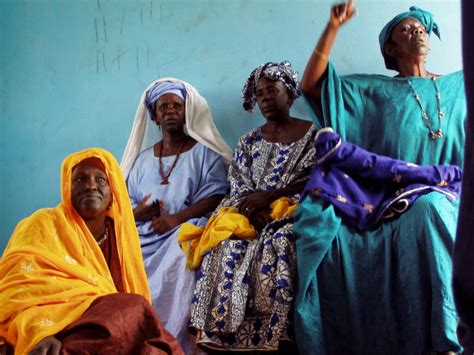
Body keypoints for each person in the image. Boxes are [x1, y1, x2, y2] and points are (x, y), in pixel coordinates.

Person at [294, 2, 466, 354]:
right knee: (426, 208)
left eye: (419, 27)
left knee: (434, 205)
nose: (416, 31)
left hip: (457, 190)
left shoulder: (459, 85)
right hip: (398, 197)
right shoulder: (374, 91)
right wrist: (333, 27)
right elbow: (311, 85)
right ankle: (447, 340)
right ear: (390, 48)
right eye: (405, 29)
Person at [0, 148, 183, 355]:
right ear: (67, 188)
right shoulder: (42, 224)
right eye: (80, 180)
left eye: (101, 179)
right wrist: (39, 330)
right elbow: (16, 291)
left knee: (154, 335)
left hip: (104, 325)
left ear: (113, 192)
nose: (91, 186)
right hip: (55, 326)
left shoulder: (120, 234)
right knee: (135, 308)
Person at [189, 61, 317, 351]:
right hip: (248, 213)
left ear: (290, 93)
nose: (266, 99)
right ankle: (218, 335)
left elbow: (315, 180)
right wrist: (253, 208)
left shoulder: (313, 135)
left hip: (291, 211)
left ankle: (275, 335)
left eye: (272, 90)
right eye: (260, 94)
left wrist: (272, 197)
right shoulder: (248, 142)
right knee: (222, 246)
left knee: (281, 242)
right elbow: (238, 184)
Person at [121, 78, 232, 354]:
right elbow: (126, 204)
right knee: (121, 256)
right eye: (163, 107)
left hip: (184, 229)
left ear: (187, 112)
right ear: (154, 117)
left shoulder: (204, 153)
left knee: (184, 253)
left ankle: (178, 344)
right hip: (144, 235)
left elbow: (217, 193)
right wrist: (139, 213)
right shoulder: (141, 160)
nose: (170, 111)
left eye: (177, 106)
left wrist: (176, 218)